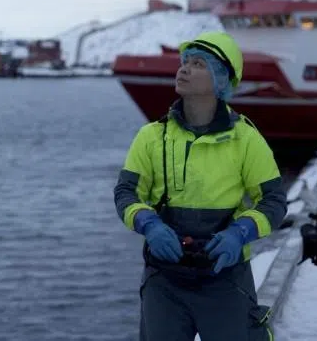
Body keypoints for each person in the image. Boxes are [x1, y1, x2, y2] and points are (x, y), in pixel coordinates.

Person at [113, 30, 287, 341]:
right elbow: (126, 193)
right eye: (184, 62)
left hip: (225, 277)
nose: (183, 69)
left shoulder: (245, 139)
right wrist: (149, 223)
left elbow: (273, 200)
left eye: (197, 64)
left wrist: (240, 233)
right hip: (164, 281)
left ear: (221, 79)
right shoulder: (151, 136)